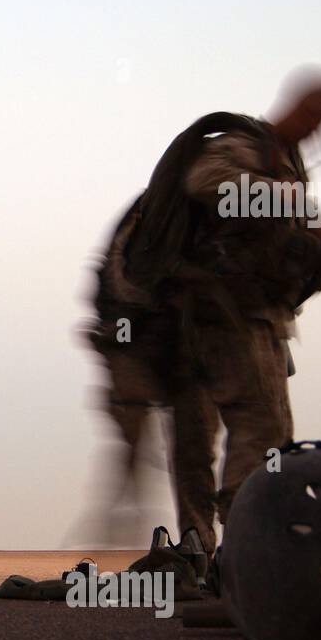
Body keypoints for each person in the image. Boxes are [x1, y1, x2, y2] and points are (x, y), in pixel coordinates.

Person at [123, 67, 321, 529]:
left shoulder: (282, 160)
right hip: (226, 316)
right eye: (317, 115)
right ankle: (241, 550)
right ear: (298, 106)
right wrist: (289, 199)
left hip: (244, 317)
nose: (319, 128)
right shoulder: (246, 146)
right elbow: (206, 182)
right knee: (256, 430)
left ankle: (209, 557)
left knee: (215, 438)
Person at [86, 198, 220, 553]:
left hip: (185, 355)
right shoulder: (153, 213)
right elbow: (112, 281)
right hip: (149, 349)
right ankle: (194, 547)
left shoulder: (216, 215)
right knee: (159, 449)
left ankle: (200, 548)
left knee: (194, 454)